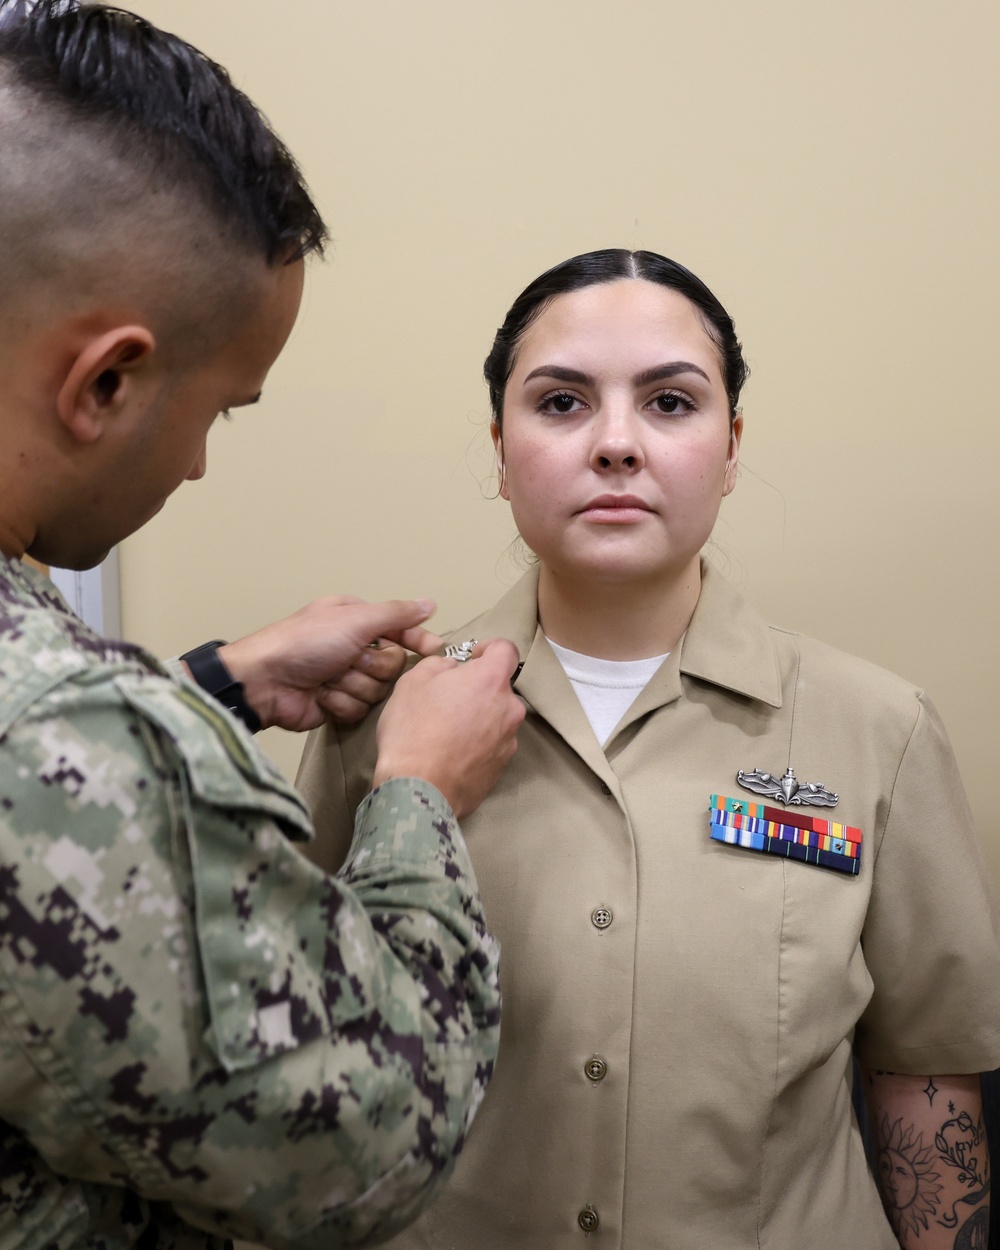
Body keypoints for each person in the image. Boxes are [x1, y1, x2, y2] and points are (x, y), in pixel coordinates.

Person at [297, 249, 1000, 1249]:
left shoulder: (876, 730)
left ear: (730, 446)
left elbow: (925, 1074)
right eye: (561, 403)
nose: (617, 443)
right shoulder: (379, 719)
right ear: (499, 448)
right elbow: (292, 1052)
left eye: (670, 403)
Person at [0, 2, 525, 1248]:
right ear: (107, 380)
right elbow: (366, 1145)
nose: (192, 468)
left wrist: (215, 682)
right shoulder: (62, 734)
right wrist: (419, 796)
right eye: (221, 410)